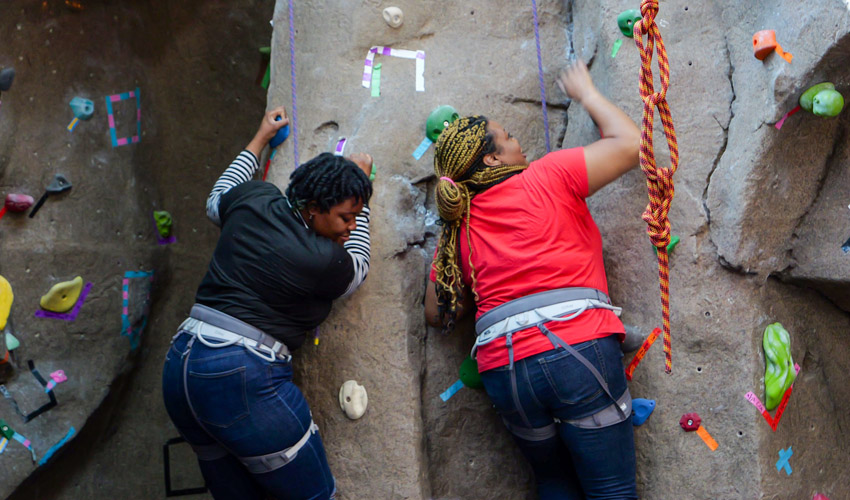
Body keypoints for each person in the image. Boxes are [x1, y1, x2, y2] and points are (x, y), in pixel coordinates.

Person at [424, 61, 641, 499]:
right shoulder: (547, 175)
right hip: (576, 349)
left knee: (554, 482)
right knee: (611, 489)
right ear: (492, 158)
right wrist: (588, 94)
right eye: (509, 138)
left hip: (504, 369)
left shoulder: (456, 230)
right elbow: (632, 143)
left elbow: (435, 312)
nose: (519, 143)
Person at [162, 106, 373, 500]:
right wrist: (361, 189)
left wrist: (260, 139)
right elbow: (357, 269)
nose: (349, 226)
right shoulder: (323, 257)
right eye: (346, 216)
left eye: (354, 218)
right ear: (314, 209)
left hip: (181, 368)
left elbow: (215, 201)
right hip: (239, 374)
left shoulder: (255, 198)